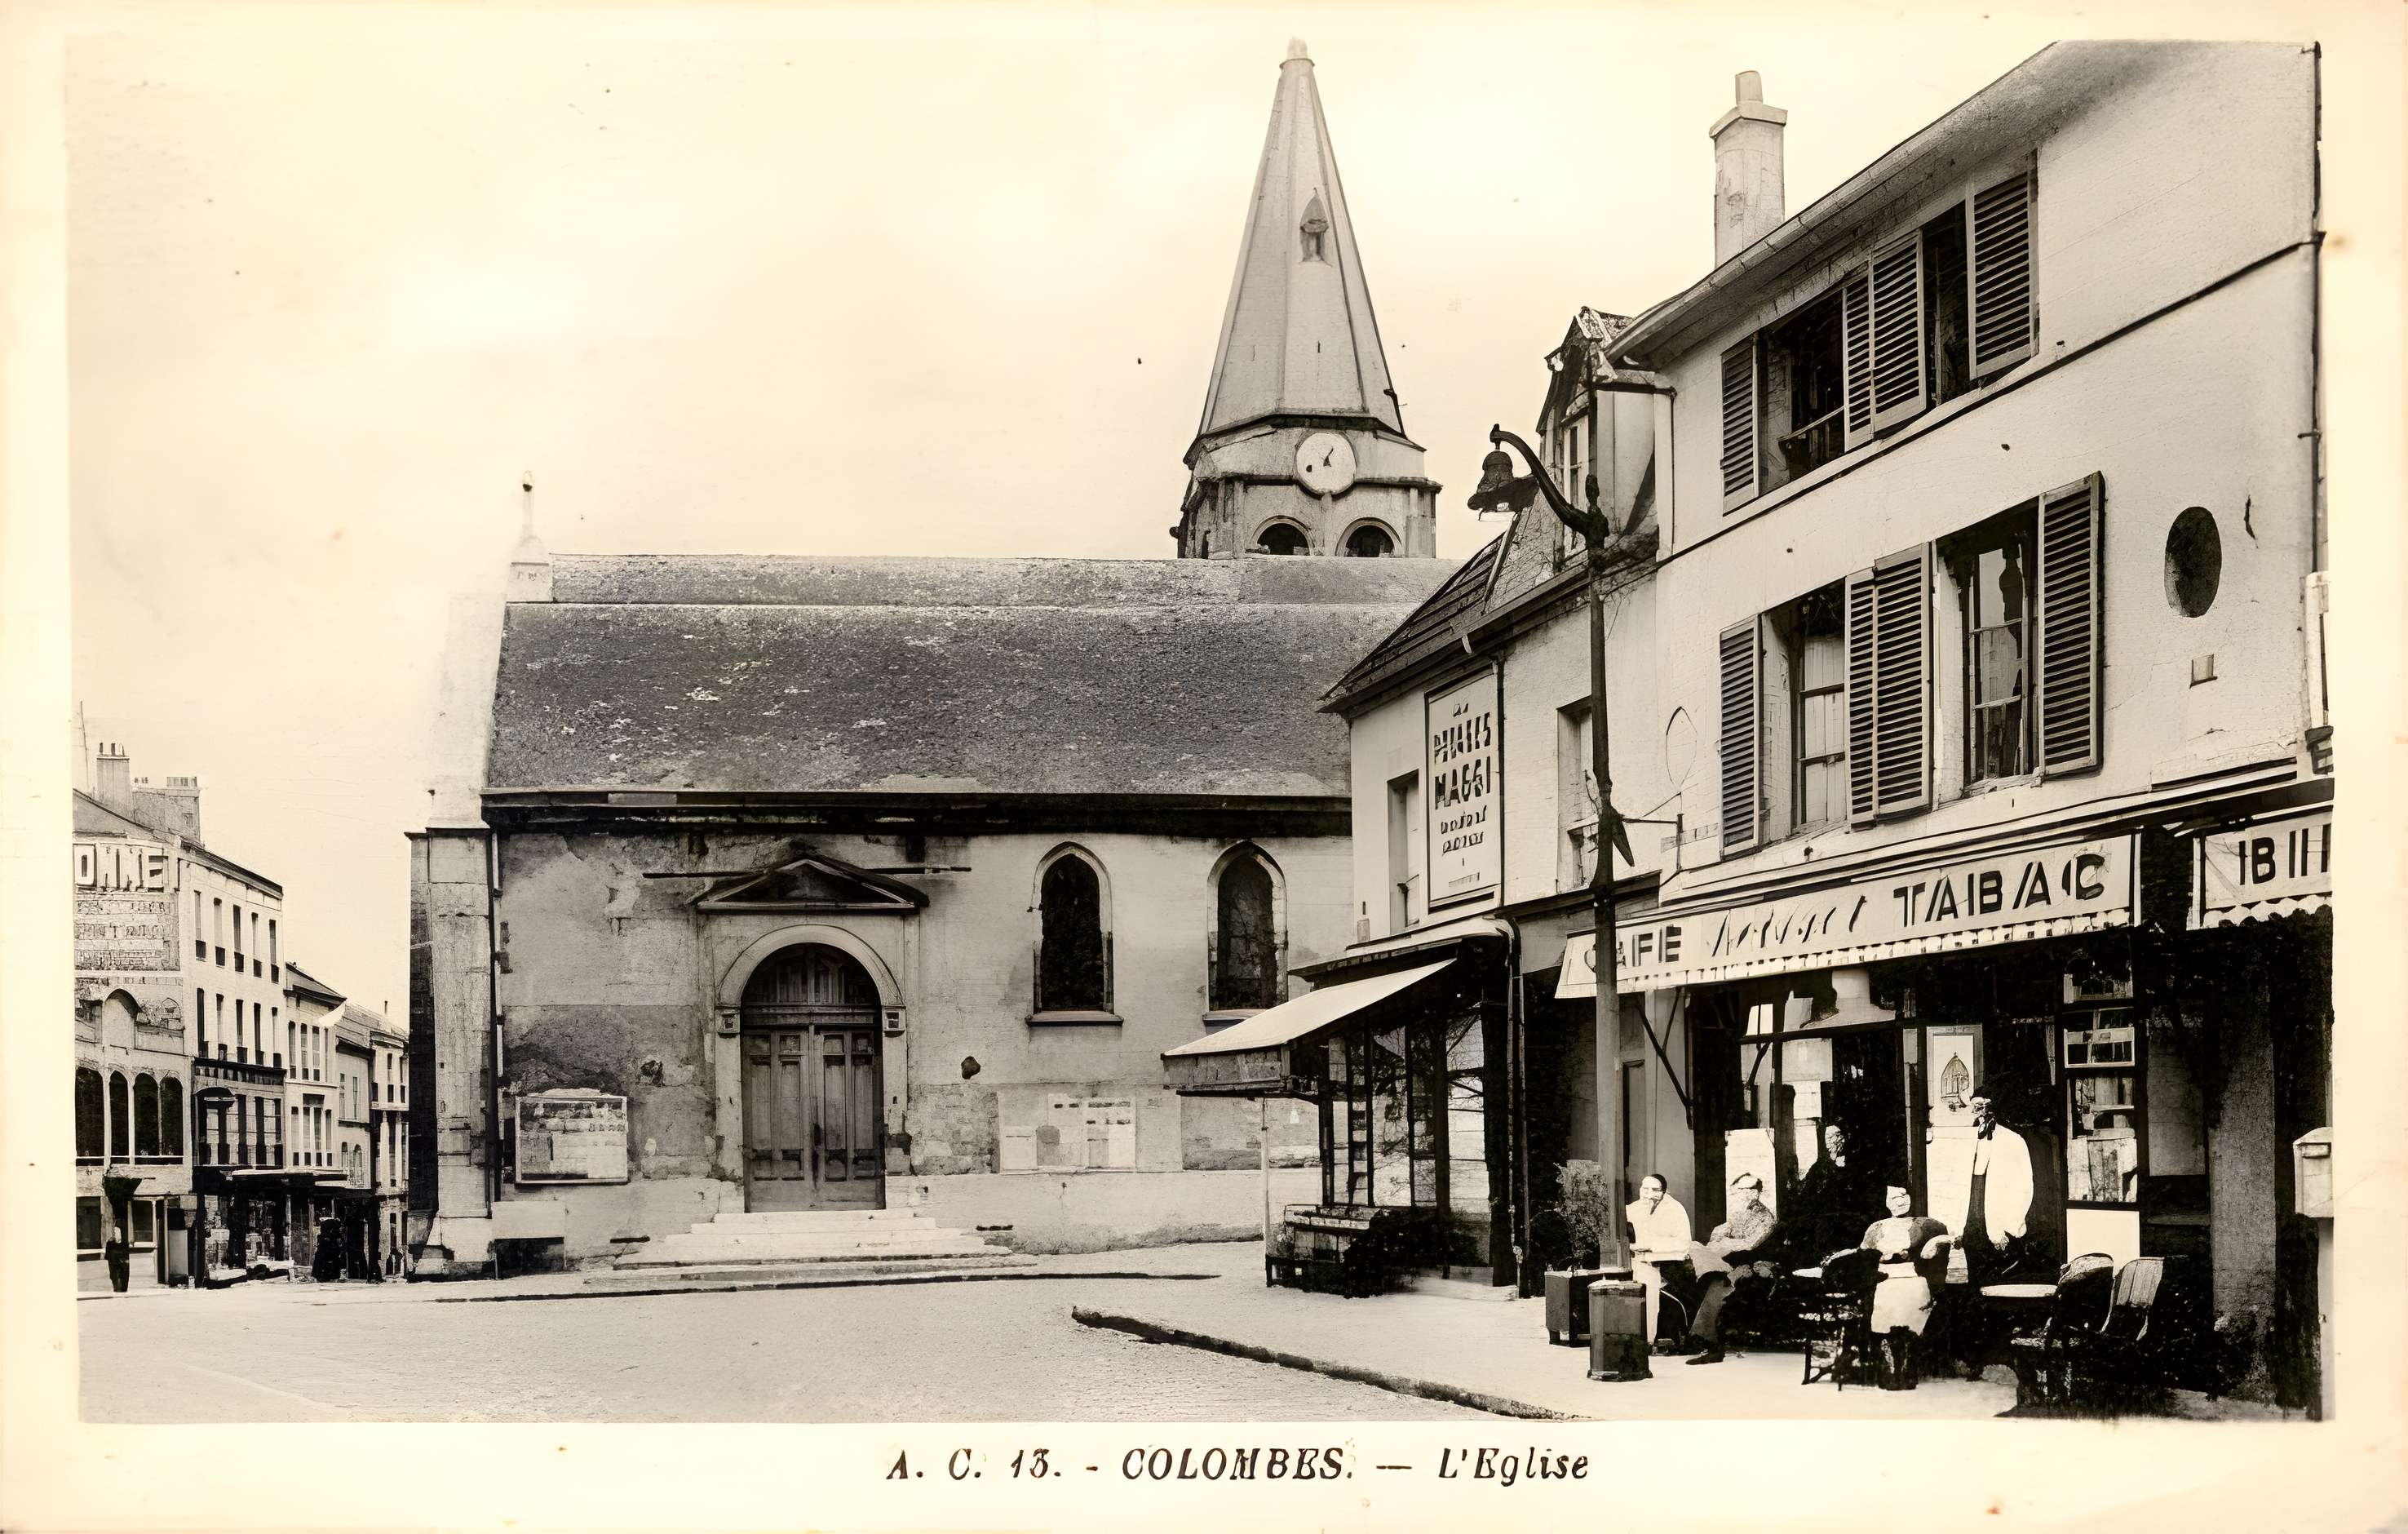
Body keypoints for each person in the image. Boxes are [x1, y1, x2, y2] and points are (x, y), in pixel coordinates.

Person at [1860, 1184, 1952, 1390]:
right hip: (1886, 1281)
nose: (1901, 1201)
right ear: (1886, 1203)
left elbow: (1936, 1251)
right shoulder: (1876, 1228)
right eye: (1894, 1198)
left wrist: (1929, 1251)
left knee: (1912, 1325)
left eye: (1904, 1196)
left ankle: (1909, 1371)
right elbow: (1864, 1253)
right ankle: (1890, 1371)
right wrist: (1880, 1257)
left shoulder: (1925, 1225)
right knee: (1885, 1324)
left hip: (1912, 1277)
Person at [1682, 1173, 1779, 1365]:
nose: (1744, 1193)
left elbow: (1751, 1244)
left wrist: (1727, 1243)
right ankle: (1695, 1337)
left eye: (1749, 1189)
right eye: (1741, 1189)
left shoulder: (1765, 1217)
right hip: (1731, 1261)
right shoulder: (1738, 1213)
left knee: (1717, 1286)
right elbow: (1719, 1233)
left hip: (1752, 1266)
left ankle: (1710, 1344)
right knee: (1694, 1252)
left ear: (1757, 1192)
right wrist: (1723, 1241)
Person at [1624, 1173, 1693, 1350]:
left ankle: (1647, 1340)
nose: (1648, 1194)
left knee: (1649, 1288)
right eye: (1644, 1189)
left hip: (1668, 1264)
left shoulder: (1675, 1210)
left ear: (1664, 1192)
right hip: (1637, 1261)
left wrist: (1648, 1246)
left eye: (1655, 1190)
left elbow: (1683, 1244)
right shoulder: (1634, 1208)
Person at [1791, 1123, 1878, 1261]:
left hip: (1852, 1217)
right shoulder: (1821, 1167)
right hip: (1827, 1218)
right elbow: (1809, 1195)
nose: (1833, 1141)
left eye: (1835, 1137)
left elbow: (1864, 1193)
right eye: (1829, 1138)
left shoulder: (1855, 1165)